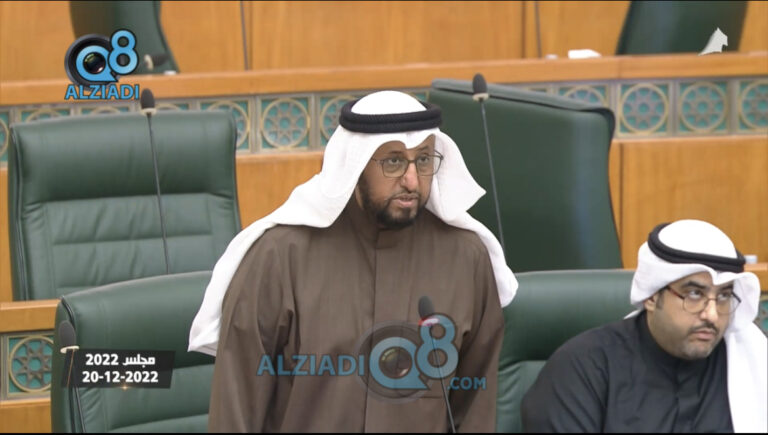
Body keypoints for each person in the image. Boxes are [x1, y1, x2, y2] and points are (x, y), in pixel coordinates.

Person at [188, 90, 518, 432]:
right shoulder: (280, 257)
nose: (411, 180)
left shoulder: (466, 259)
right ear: (356, 163)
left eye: (423, 160)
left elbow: (475, 409)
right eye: (393, 161)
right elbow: (236, 410)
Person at [521, 219, 767, 433]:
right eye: (694, 294)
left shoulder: (750, 362)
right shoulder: (583, 369)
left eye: (723, 296)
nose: (711, 315)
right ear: (651, 296)